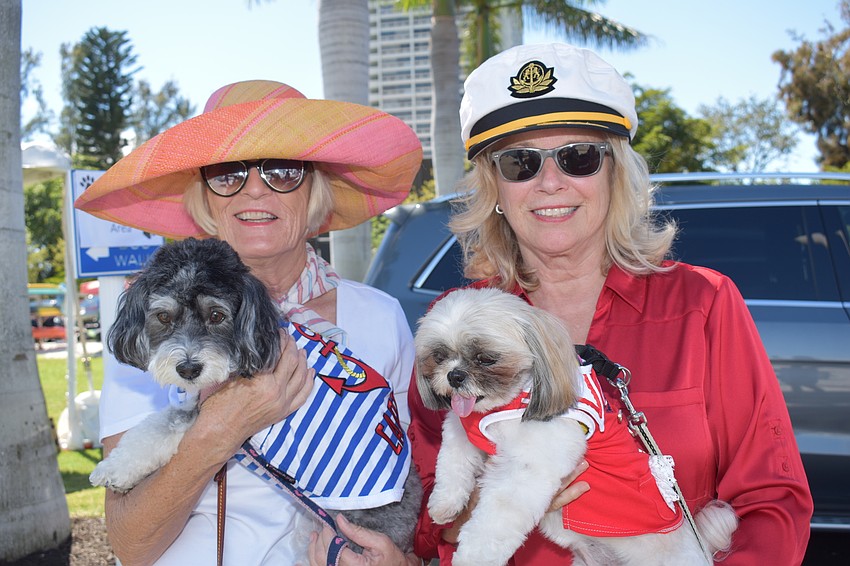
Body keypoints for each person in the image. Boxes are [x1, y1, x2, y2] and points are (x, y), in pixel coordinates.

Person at [406, 43, 814, 565]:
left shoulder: (703, 304)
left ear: (615, 172)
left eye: (579, 156)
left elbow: (770, 500)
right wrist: (491, 504)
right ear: (495, 189)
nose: (550, 182)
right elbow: (425, 510)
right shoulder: (452, 328)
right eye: (520, 162)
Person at [75, 80, 425, 565]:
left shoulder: (381, 318)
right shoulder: (159, 328)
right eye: (227, 172)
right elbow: (131, 545)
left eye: (283, 171)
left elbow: (402, 480)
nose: (255, 188)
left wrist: (402, 561)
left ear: (315, 193)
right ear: (206, 196)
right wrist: (219, 428)